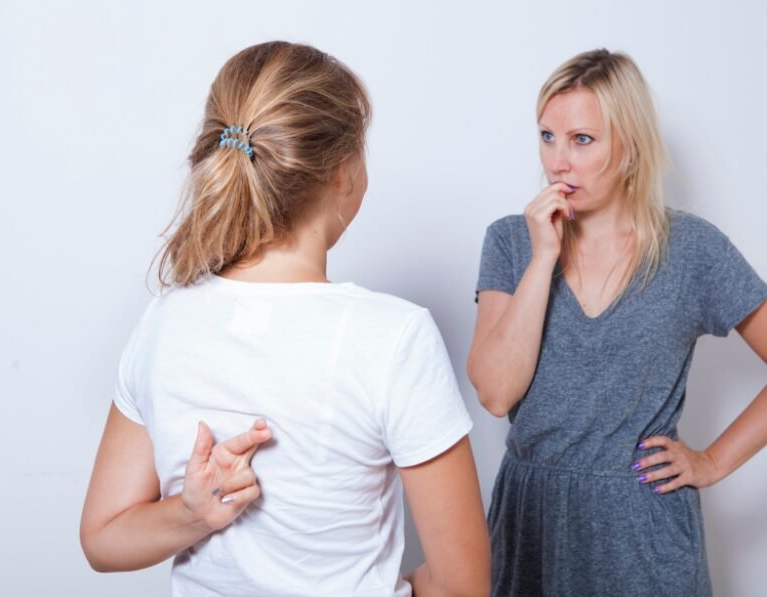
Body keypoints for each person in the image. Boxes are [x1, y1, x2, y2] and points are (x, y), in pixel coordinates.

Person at [80, 41, 490, 597]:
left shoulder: (164, 321)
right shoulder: (395, 337)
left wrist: (191, 513)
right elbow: (462, 585)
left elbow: (103, 538)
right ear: (344, 173)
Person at [467, 48, 767, 596]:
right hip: (533, 519)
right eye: (547, 137)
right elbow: (496, 394)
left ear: (630, 148)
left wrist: (712, 461)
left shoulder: (693, 250)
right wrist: (543, 258)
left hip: (640, 529)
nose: (558, 162)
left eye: (582, 140)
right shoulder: (511, 241)